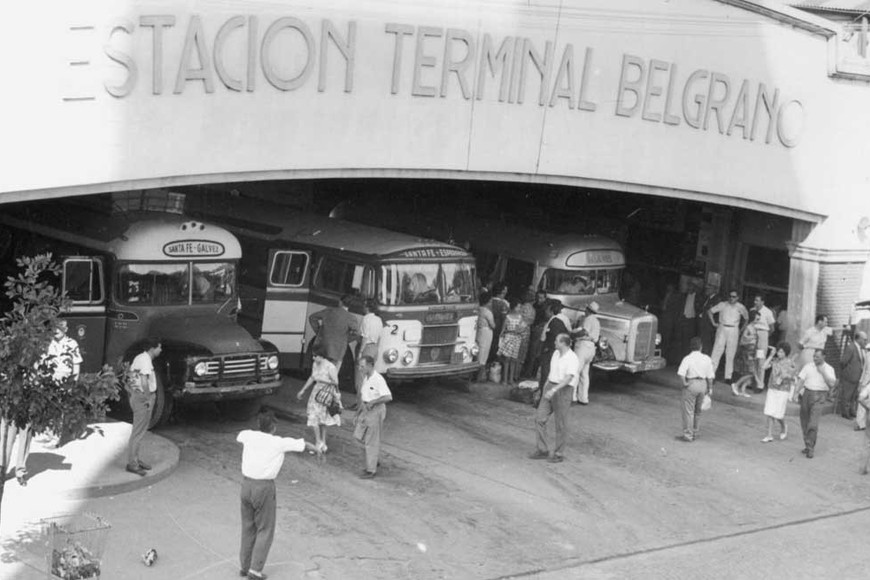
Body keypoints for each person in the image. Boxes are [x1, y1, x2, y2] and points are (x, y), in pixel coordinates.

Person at [237, 410, 318, 580]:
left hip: (246, 485)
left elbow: (240, 436)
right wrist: (317, 448)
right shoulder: (278, 442)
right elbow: (304, 445)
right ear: (273, 427)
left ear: (259, 425)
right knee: (265, 528)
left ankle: (244, 566)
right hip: (264, 487)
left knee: (248, 526)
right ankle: (255, 569)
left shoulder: (247, 435)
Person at [529, 333, 579, 463]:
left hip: (563, 389)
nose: (554, 342)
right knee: (540, 418)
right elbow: (551, 373)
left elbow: (569, 378)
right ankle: (542, 449)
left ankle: (559, 453)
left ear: (563, 343)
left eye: (557, 341)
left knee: (560, 423)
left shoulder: (572, 358)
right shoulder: (556, 354)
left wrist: (554, 390)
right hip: (551, 385)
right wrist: (544, 389)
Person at [125, 338, 162, 477]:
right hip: (143, 397)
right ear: (152, 348)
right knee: (138, 432)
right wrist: (147, 398)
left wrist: (132, 392)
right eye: (159, 347)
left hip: (137, 395)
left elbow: (130, 376)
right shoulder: (146, 360)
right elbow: (144, 380)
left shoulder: (140, 357)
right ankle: (132, 464)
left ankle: (135, 459)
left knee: (139, 431)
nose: (161, 350)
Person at [296, 346, 341, 454]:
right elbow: (312, 377)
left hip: (325, 395)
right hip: (315, 394)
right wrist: (303, 390)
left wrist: (321, 380)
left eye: (315, 356)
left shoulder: (330, 367)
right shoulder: (315, 364)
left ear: (321, 356)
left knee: (322, 419)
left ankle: (321, 442)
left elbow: (335, 382)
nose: (313, 358)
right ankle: (319, 442)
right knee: (313, 416)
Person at [794, 349, 837, 459]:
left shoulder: (829, 369)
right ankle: (808, 444)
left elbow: (832, 384)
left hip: (820, 396)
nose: (815, 358)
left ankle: (810, 448)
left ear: (824, 356)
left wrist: (822, 372)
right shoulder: (808, 366)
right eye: (814, 356)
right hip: (807, 394)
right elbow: (800, 380)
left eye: (817, 356)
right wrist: (795, 392)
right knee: (804, 421)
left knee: (813, 423)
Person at [355, 355, 392, 479]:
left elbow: (388, 397)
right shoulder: (366, 378)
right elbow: (364, 396)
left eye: (362, 366)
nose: (360, 368)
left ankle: (371, 470)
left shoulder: (378, 379)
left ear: (370, 365)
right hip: (366, 409)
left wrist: (373, 402)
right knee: (359, 435)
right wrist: (358, 413)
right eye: (359, 366)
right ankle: (373, 458)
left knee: (371, 440)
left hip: (375, 410)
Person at [309, 294, 360, 376]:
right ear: (350, 306)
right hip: (338, 351)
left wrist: (319, 332)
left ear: (340, 302)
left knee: (319, 374)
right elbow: (357, 333)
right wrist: (346, 340)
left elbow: (312, 318)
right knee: (332, 376)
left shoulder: (329, 311)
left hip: (322, 348)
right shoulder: (351, 318)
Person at [676, 337, 715, 442]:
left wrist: (685, 383)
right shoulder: (707, 358)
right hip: (703, 384)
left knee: (688, 411)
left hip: (692, 383)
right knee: (698, 411)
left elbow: (681, 373)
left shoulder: (687, 358)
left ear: (691, 347)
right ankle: (695, 432)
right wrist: (710, 388)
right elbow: (710, 376)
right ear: (701, 347)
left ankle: (688, 435)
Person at [709, 290, 749, 386]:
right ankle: (711, 374)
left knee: (730, 353)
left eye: (734, 296)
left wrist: (741, 330)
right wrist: (714, 323)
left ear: (738, 297)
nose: (732, 298)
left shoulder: (741, 307)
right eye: (730, 296)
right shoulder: (722, 304)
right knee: (717, 351)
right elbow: (710, 311)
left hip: (734, 329)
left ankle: (728, 377)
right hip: (722, 328)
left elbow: (747, 318)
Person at [760, 342, 797, 442]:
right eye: (779, 351)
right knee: (770, 411)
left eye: (782, 352)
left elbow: (793, 376)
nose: (779, 354)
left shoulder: (790, 363)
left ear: (786, 353)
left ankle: (783, 426)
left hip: (783, 390)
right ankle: (769, 435)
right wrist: (771, 355)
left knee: (778, 414)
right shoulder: (774, 360)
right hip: (772, 388)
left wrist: (785, 377)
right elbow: (764, 367)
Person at [537, 300, 570, 402]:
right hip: (558, 352)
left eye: (547, 309)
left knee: (546, 376)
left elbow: (552, 339)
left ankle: (543, 401)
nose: (545, 312)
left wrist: (546, 350)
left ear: (551, 310)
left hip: (550, 352)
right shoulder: (560, 320)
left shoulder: (555, 322)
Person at [355, 299, 383, 404]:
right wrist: (376, 349)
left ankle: (359, 403)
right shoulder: (379, 319)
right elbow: (380, 337)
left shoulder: (366, 319)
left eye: (364, 305)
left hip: (366, 347)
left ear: (367, 307)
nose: (363, 307)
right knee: (369, 376)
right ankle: (367, 401)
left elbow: (365, 337)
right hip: (375, 348)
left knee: (360, 377)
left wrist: (360, 352)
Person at [572, 302, 600, 406]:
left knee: (575, 371)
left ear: (588, 310)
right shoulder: (597, 321)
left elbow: (583, 332)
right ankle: (583, 398)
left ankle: (572, 397)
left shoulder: (588, 319)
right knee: (585, 374)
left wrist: (572, 335)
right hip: (592, 347)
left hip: (583, 346)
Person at [497, 298, 528, 387]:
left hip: (517, 339)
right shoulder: (508, 317)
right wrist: (501, 340)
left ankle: (510, 379)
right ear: (514, 307)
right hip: (508, 338)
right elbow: (503, 330)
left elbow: (523, 329)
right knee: (507, 360)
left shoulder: (520, 317)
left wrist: (520, 331)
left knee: (514, 359)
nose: (520, 309)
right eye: (518, 307)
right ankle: (505, 380)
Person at [732, 310, 762, 397]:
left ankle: (743, 390)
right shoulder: (748, 327)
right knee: (750, 372)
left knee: (749, 373)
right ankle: (736, 384)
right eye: (757, 318)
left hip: (752, 352)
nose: (758, 320)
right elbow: (743, 340)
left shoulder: (753, 327)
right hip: (747, 352)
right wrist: (752, 338)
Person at [838, 331, 867, 420]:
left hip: (857, 377)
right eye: (864, 340)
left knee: (853, 396)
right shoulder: (851, 347)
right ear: (859, 339)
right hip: (849, 377)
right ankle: (845, 413)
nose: (865, 342)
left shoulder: (861, 349)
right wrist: (848, 372)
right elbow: (843, 361)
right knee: (847, 395)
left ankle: (851, 411)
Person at [523, 290, 549, 378]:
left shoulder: (546, 308)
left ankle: (529, 373)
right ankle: (529, 372)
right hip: (533, 330)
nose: (539, 300)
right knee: (531, 352)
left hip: (539, 331)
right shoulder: (534, 305)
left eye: (541, 298)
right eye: (538, 297)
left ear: (545, 298)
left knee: (534, 353)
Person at [677, 281, 704, 360]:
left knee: (691, 340)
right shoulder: (684, 296)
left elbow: (699, 309)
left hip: (692, 321)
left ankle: (689, 358)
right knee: (683, 340)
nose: (689, 288)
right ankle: (682, 358)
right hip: (684, 319)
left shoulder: (698, 297)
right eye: (688, 287)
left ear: (694, 288)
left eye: (691, 287)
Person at [475, 291, 495, 382]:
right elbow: (493, 325)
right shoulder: (487, 312)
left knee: (478, 350)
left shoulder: (478, 309)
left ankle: (476, 375)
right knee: (484, 352)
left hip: (478, 331)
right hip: (486, 332)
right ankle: (480, 376)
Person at [516, 289, 536, 378]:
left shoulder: (520, 307)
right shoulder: (532, 310)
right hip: (526, 332)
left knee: (515, 354)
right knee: (521, 355)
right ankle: (517, 375)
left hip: (517, 331)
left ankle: (512, 374)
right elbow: (530, 321)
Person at [489, 282, 510, 364]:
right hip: (498, 329)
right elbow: (505, 319)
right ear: (502, 291)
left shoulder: (489, 301)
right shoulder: (504, 304)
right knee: (495, 350)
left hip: (489, 329)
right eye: (505, 290)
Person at [699, 286, 722, 355]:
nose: (707, 290)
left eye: (709, 289)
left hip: (709, 325)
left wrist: (714, 323)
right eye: (707, 288)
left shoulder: (716, 300)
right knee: (703, 343)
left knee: (707, 345)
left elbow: (715, 312)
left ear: (714, 290)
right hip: (704, 324)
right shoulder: (708, 298)